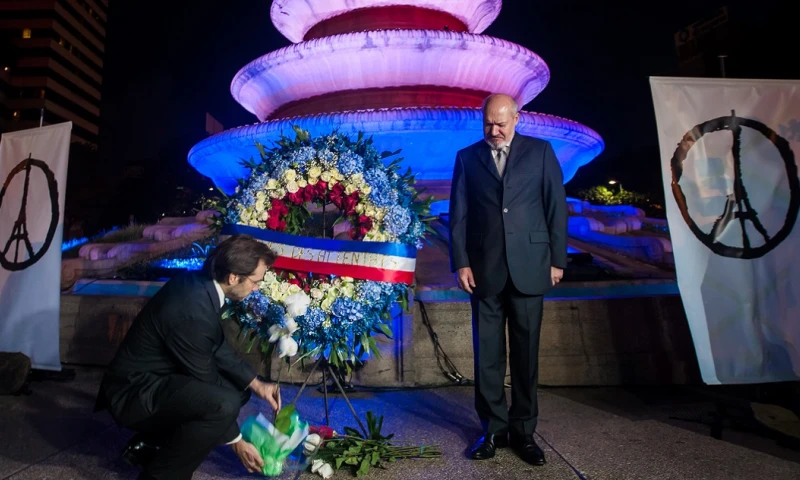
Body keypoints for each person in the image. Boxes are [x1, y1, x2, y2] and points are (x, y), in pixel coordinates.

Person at [95, 234, 282, 480]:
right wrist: (237, 442)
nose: (256, 288)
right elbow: (206, 377)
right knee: (223, 404)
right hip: (135, 391)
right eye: (255, 281)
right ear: (233, 277)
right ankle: (161, 473)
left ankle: (154, 445)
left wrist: (255, 383)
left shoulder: (200, 283)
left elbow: (214, 345)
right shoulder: (193, 308)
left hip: (159, 377)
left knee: (238, 389)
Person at [449, 93, 567, 466]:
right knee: (487, 358)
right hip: (484, 271)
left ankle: (524, 432)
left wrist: (557, 260)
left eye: (501, 123)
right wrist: (461, 263)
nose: (494, 130)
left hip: (532, 266)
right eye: (488, 124)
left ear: (517, 119)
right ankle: (493, 429)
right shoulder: (467, 158)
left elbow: (556, 208)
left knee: (526, 354)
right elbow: (459, 216)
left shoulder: (542, 152)